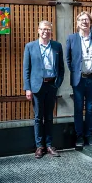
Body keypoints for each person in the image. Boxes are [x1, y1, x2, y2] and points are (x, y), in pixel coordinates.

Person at [23, 21, 65, 158]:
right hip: (37, 87)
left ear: (51, 31)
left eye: (48, 29)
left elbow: (61, 68)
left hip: (51, 85)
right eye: (42, 29)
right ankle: (39, 146)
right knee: (37, 117)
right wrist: (27, 88)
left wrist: (57, 84)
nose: (45, 32)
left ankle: (49, 144)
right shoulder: (30, 47)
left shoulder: (57, 46)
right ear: (38, 30)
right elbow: (26, 70)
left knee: (49, 117)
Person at [66, 11, 92, 149]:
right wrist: (76, 72)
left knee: (90, 109)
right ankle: (79, 136)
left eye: (87, 20)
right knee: (78, 109)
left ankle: (89, 135)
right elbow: (69, 60)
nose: (84, 22)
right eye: (82, 20)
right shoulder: (72, 38)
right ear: (77, 23)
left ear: (90, 22)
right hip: (79, 80)